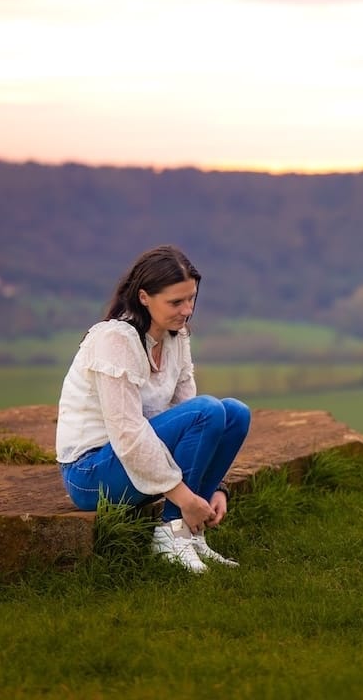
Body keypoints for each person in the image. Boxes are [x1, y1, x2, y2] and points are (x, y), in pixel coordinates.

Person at [55, 244, 250, 572]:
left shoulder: (175, 337)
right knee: (209, 410)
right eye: (176, 302)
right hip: (91, 474)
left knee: (234, 413)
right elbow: (128, 435)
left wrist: (214, 487)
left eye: (191, 299)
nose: (187, 310)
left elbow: (191, 415)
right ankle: (172, 531)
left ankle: (189, 533)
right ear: (144, 297)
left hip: (136, 466)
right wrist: (187, 500)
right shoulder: (115, 340)